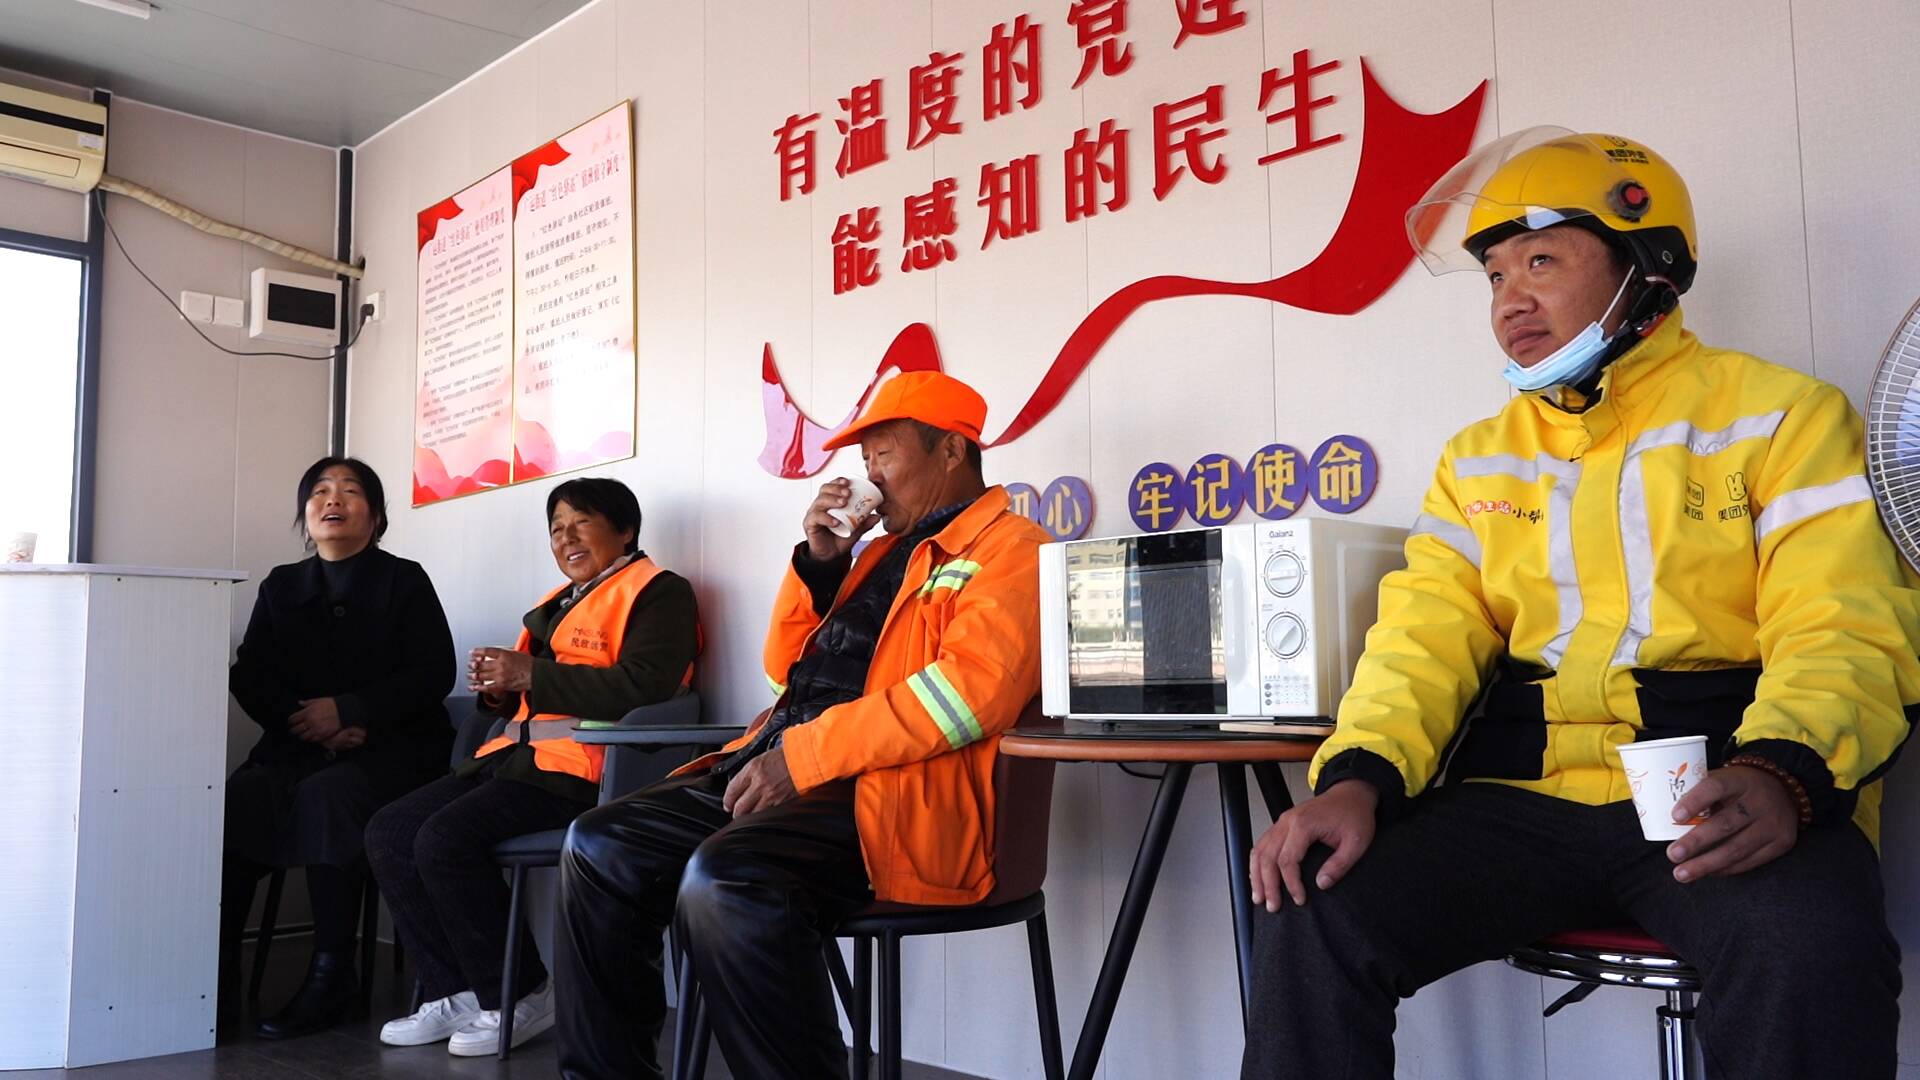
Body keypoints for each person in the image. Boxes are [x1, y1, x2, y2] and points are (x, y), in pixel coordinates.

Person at [1241, 127, 1920, 1079]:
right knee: (1315, 906)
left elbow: (1843, 618)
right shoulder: (1478, 458)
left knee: (1807, 946)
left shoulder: (1782, 415)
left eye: (1541, 261)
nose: (1509, 300)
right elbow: (1421, 639)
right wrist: (1359, 777)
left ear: (1646, 264)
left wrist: (1786, 771)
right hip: (1527, 806)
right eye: (1494, 277)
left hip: (1720, 792)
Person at [551, 371, 1049, 1079]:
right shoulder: (876, 556)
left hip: (895, 797)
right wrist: (818, 564)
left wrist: (804, 757)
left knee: (729, 880)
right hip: (794, 768)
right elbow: (785, 676)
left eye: (884, 453)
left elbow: (968, 697)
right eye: (865, 458)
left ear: (951, 451)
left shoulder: (1012, 548)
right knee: (599, 844)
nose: (871, 473)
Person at [365, 476, 698, 1057]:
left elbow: (646, 685)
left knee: (443, 840)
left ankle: (522, 992)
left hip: (586, 772)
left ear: (625, 530)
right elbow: (532, 694)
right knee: (388, 831)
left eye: (582, 523)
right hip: (516, 759)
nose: (566, 538)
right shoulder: (558, 603)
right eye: (556, 528)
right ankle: (457, 990)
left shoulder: (660, 591)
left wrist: (529, 674)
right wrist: (500, 692)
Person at [222, 457, 455, 1039]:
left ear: (375, 517)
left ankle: (334, 975)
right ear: (305, 514)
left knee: (331, 795)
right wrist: (307, 723)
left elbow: (433, 673)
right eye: (320, 492)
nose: (333, 500)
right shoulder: (281, 585)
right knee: (240, 795)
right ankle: (213, 973)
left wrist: (352, 712)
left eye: (351, 491)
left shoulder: (404, 579)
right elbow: (250, 674)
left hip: (393, 749)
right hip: (298, 744)